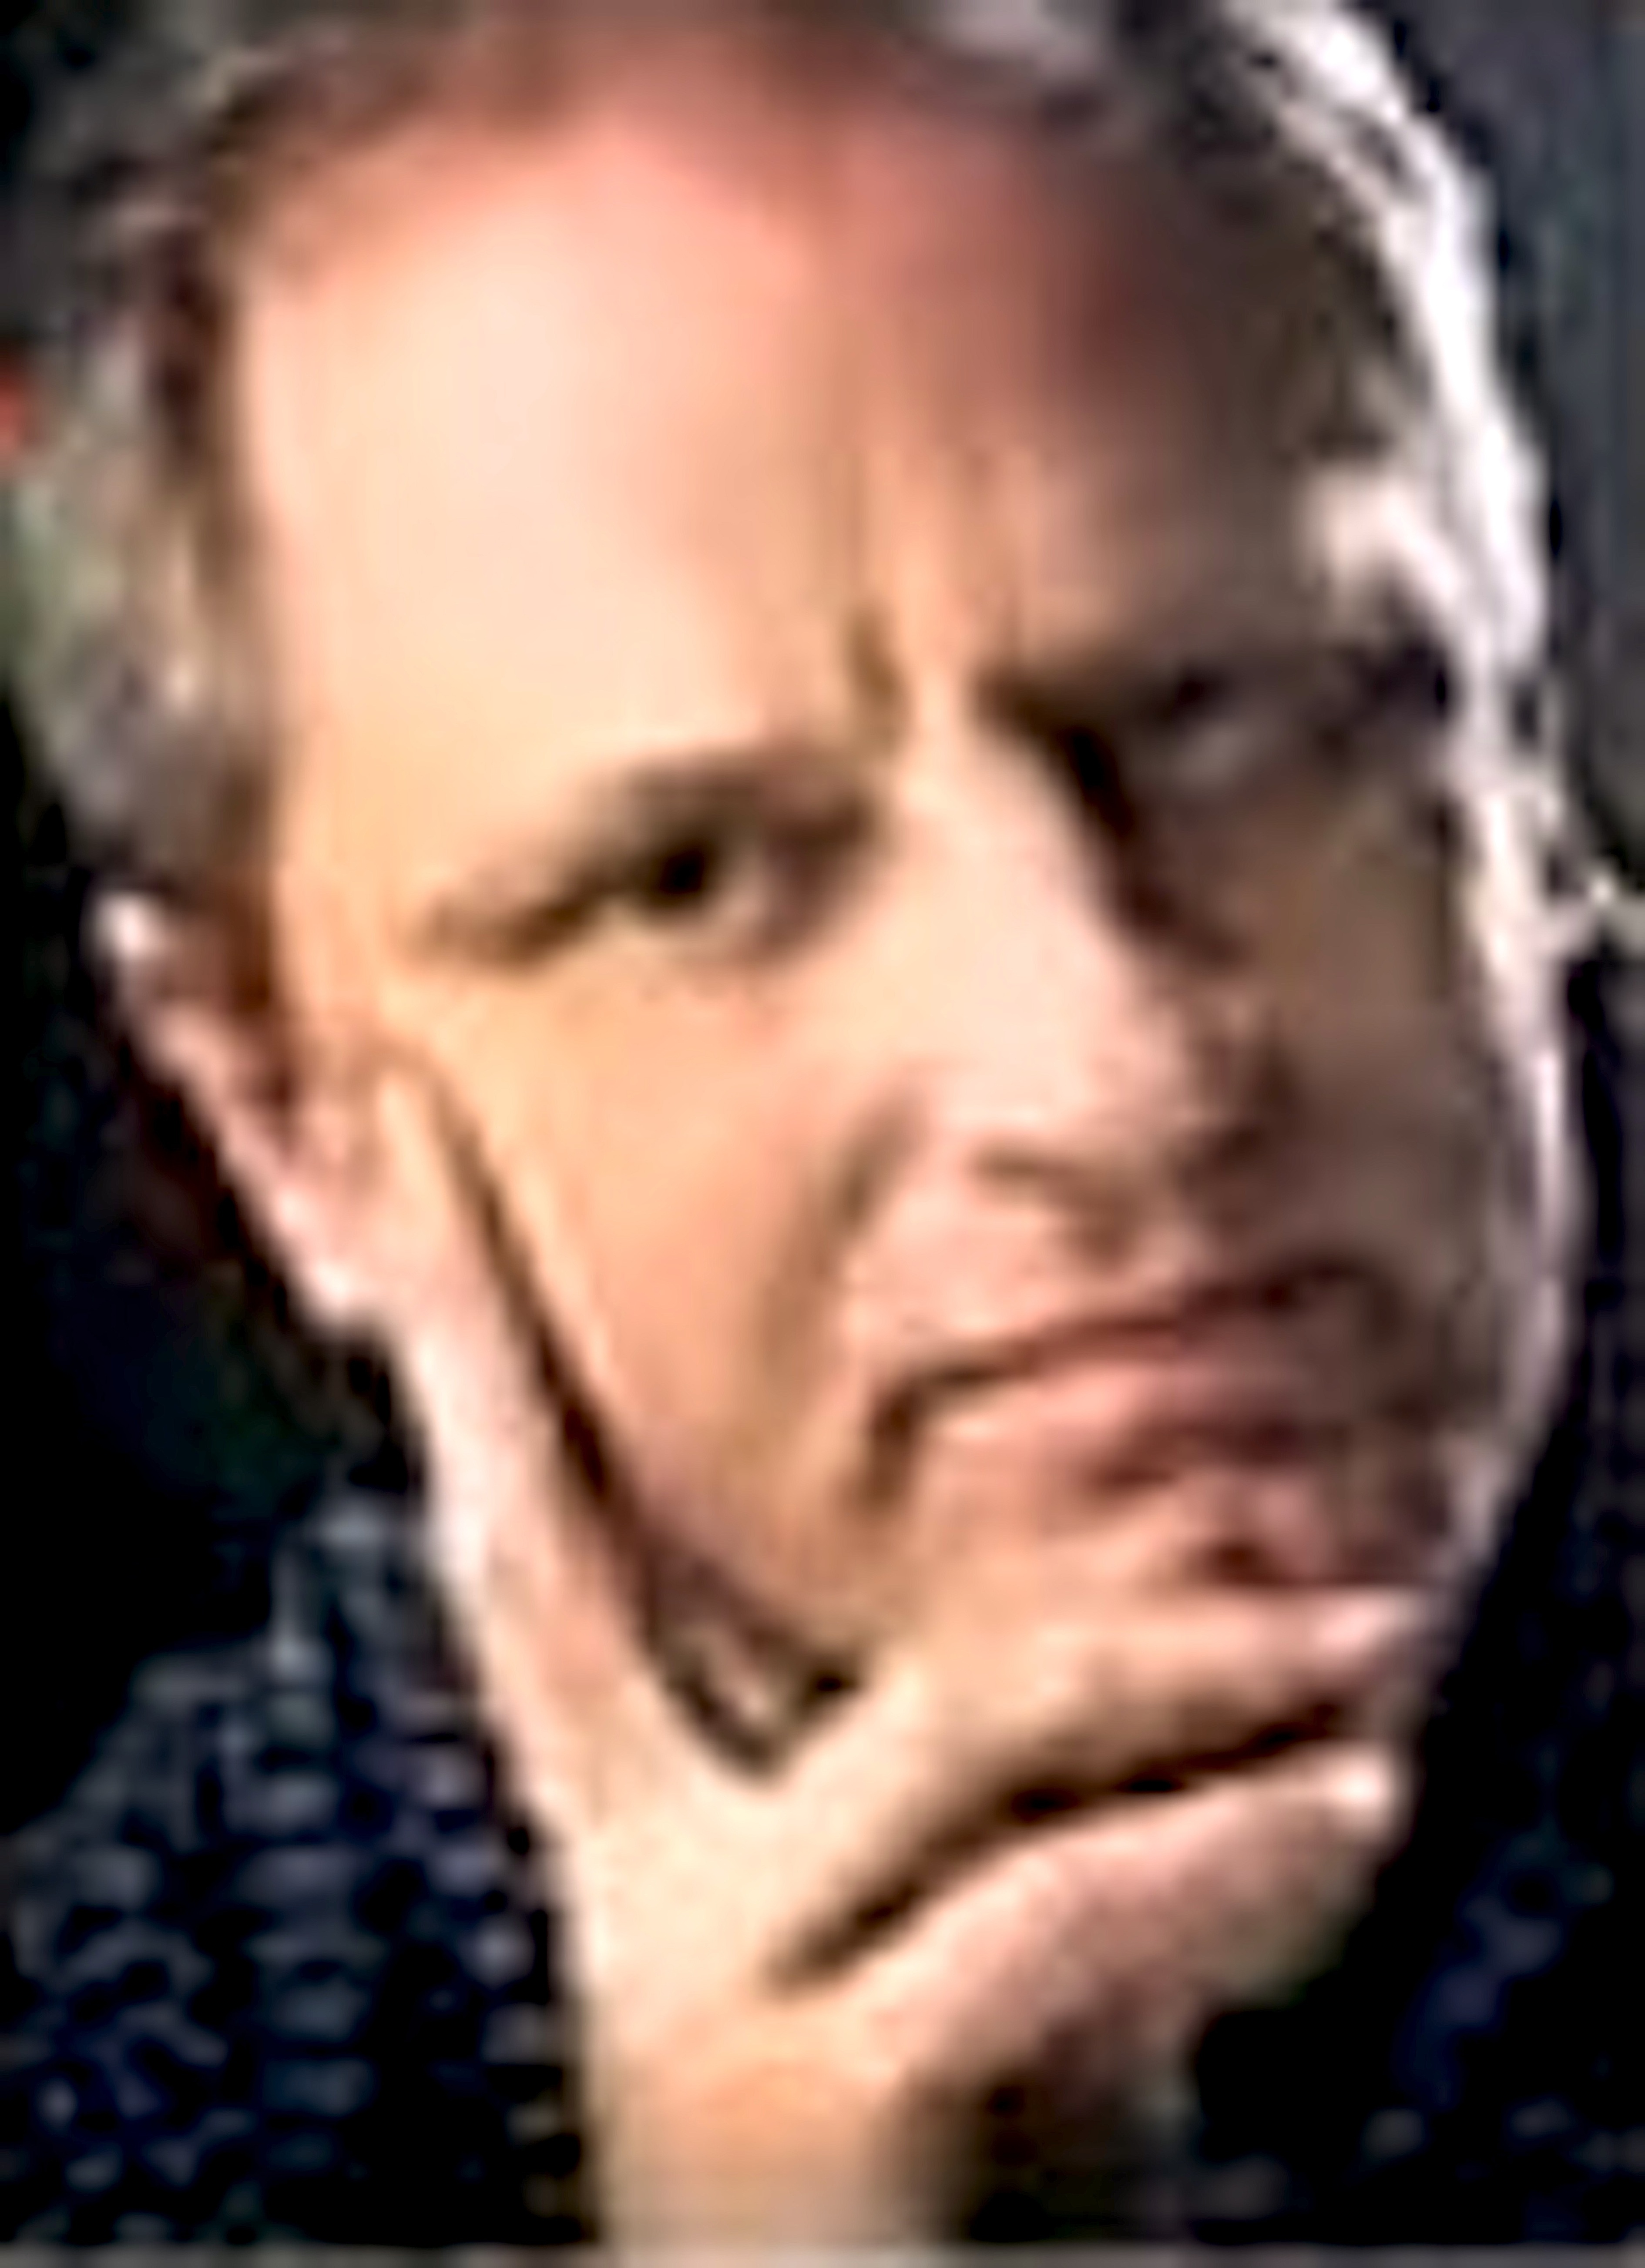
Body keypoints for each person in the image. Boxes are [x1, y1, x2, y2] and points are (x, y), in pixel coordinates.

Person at [3, 0, 1637, 2244]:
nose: (1115, 1074)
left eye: (1231, 725)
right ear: (275, 1117)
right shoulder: (149, 2071)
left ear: (1522, 770)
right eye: (691, 880)